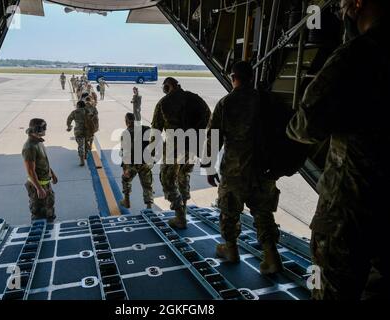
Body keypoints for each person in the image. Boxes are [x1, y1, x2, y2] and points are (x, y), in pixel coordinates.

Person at [286, 0, 390, 300]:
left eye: (344, 5)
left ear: (358, 5)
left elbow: (305, 126)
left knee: (331, 289)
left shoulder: (357, 55)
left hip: (351, 210)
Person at [203, 61, 282, 274]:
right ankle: (271, 256)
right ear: (251, 77)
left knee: (229, 211)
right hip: (263, 170)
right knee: (263, 212)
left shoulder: (226, 103)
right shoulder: (267, 101)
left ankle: (231, 250)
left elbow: (213, 138)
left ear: (233, 76)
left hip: (235, 170)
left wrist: (209, 167)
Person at [151, 77, 211, 229]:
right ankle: (183, 208)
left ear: (169, 86)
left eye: (164, 86)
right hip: (192, 147)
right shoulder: (196, 99)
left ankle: (179, 216)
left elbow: (156, 131)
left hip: (174, 148)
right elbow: (208, 120)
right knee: (184, 176)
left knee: (168, 180)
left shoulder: (164, 102)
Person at [22, 118, 58, 223]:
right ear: (37, 129)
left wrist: (52, 174)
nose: (45, 130)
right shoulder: (30, 147)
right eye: (43, 127)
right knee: (38, 215)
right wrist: (39, 188)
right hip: (37, 186)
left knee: (49, 211)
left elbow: (43, 162)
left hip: (45, 184)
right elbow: (30, 170)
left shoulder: (38, 143)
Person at [119, 113, 154, 209]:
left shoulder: (126, 133)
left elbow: (125, 152)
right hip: (145, 162)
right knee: (147, 184)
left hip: (132, 163)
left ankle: (126, 201)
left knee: (126, 179)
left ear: (127, 121)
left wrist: (125, 168)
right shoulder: (147, 129)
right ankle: (149, 205)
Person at [67, 100, 97, 166]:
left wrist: (69, 126)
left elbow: (69, 119)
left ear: (78, 105)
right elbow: (93, 118)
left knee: (80, 145)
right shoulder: (87, 111)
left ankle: (82, 160)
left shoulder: (75, 112)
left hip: (78, 131)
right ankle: (85, 153)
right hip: (87, 131)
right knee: (86, 142)